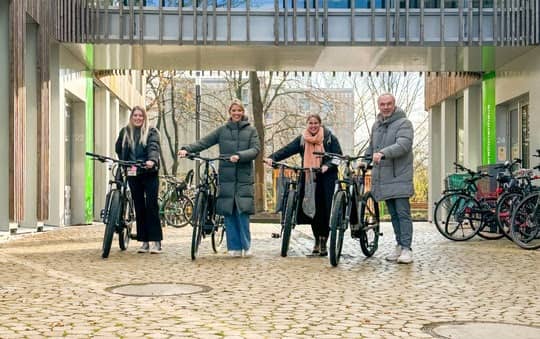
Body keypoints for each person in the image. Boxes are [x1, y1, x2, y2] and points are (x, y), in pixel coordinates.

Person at [178, 99, 260, 257]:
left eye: (239, 110)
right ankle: (234, 247)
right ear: (230, 112)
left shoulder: (251, 131)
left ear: (243, 112)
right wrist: (186, 149)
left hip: (243, 176)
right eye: (234, 110)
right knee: (229, 211)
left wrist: (239, 156)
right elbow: (205, 142)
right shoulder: (222, 130)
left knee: (242, 211)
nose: (236, 113)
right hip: (227, 175)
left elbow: (255, 149)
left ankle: (246, 245)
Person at [264, 114, 342, 256]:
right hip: (308, 177)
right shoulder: (302, 139)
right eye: (310, 123)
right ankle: (317, 240)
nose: (313, 126)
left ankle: (324, 240)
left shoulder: (329, 138)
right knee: (312, 208)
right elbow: (287, 150)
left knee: (325, 209)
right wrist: (272, 158)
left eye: (315, 123)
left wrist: (327, 165)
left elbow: (338, 157)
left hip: (326, 178)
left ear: (320, 124)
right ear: (307, 124)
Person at [364, 93, 414, 264]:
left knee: (402, 213)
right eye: (382, 104)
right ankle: (400, 245)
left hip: (399, 176)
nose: (385, 107)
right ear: (379, 106)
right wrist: (364, 161)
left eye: (389, 104)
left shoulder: (404, 123)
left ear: (394, 105)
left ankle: (407, 248)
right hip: (384, 177)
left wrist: (383, 153)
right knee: (393, 215)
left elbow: (404, 145)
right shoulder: (376, 125)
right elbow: (372, 147)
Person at [115, 106, 163, 254]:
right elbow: (118, 148)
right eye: (135, 115)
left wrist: (152, 160)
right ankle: (144, 241)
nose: (138, 118)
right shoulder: (125, 132)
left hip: (149, 171)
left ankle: (156, 241)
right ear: (131, 117)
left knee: (151, 205)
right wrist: (124, 162)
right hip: (132, 171)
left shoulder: (151, 132)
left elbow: (153, 147)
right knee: (139, 206)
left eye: (140, 116)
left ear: (144, 117)